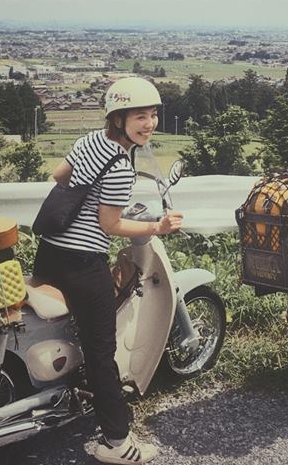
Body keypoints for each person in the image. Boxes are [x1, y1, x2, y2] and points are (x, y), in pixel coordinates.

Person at [31, 77, 183, 464]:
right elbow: (110, 225)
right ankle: (117, 442)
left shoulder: (88, 141)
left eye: (152, 114)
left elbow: (59, 175)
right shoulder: (120, 166)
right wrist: (156, 227)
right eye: (139, 115)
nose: (149, 123)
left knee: (57, 325)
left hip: (49, 252)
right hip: (82, 263)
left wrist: (86, 194)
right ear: (118, 118)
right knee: (102, 350)